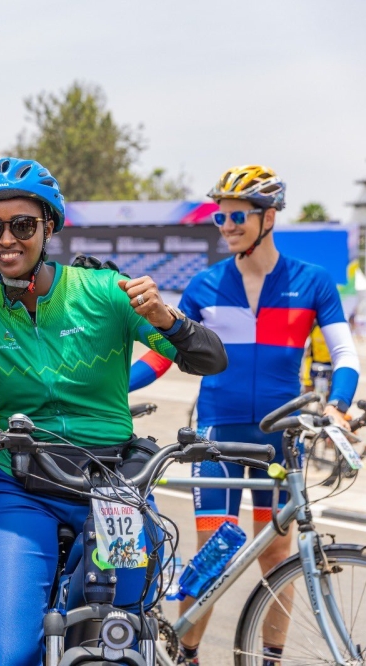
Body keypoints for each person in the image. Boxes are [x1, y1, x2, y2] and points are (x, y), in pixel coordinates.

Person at [0, 157, 228, 666]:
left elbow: (211, 358)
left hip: (112, 488)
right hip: (19, 488)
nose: (6, 238)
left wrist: (166, 317)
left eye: (22, 225)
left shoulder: (104, 292)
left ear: (48, 226)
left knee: (120, 642)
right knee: (10, 655)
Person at [130, 164, 361, 666]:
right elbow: (159, 356)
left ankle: (269, 659)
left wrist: (339, 406)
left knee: (278, 557)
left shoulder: (312, 282)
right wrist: (108, 388)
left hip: (279, 441)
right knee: (215, 552)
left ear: (269, 216)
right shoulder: (205, 285)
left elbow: (345, 355)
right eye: (220, 216)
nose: (227, 224)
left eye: (238, 215)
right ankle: (187, 655)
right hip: (218, 438)